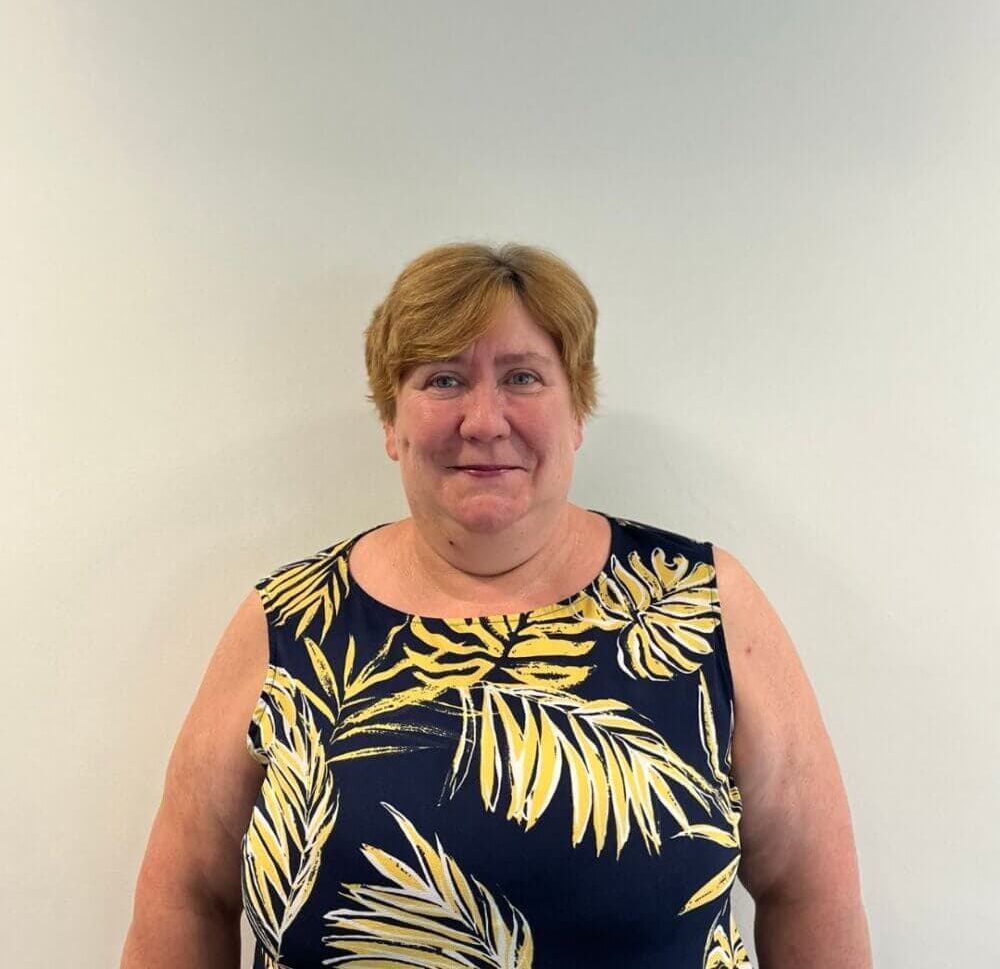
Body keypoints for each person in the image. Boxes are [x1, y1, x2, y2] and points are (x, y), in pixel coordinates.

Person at [121, 243, 872, 968]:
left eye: (522, 377)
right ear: (391, 423)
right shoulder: (292, 621)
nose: (484, 420)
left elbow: (810, 895)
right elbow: (186, 895)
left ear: (577, 413)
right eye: (444, 380)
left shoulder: (700, 604)